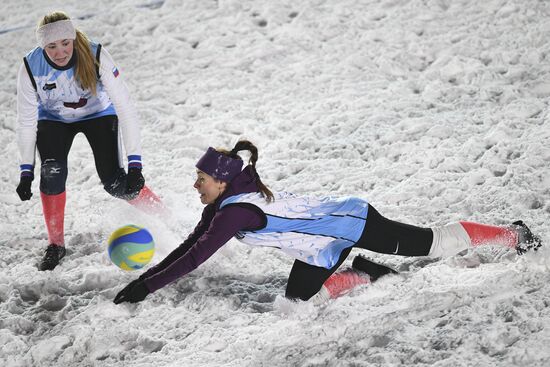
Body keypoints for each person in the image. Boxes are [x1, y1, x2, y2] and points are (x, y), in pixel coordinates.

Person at [113, 140, 542, 305]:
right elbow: (191, 243)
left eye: (201, 179)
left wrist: (146, 286)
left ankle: (514, 234)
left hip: (351, 222)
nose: (195, 185)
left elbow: (197, 257)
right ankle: (366, 275)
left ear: (221, 181)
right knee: (297, 304)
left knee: (436, 243)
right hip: (323, 246)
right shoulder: (224, 202)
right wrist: (146, 280)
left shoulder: (235, 212)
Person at [15, 11, 164, 271]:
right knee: (51, 174)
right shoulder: (30, 66)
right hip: (54, 119)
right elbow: (26, 121)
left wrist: (135, 165)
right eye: (51, 46)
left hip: (98, 114)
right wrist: (26, 170)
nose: (60, 52)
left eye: (65, 43)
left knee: (118, 184)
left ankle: (167, 216)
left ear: (73, 39)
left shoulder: (96, 55)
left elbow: (126, 109)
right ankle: (56, 244)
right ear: (42, 47)